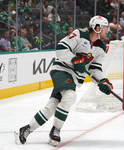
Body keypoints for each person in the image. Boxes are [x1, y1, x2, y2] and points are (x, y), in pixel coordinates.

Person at [14, 15, 113, 147]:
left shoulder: (101, 47)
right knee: (70, 96)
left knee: (52, 106)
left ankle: (26, 129)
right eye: (105, 27)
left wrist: (103, 82)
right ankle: (56, 130)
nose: (108, 30)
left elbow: (95, 69)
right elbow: (60, 49)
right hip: (61, 69)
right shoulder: (79, 34)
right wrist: (74, 59)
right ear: (97, 27)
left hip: (74, 77)